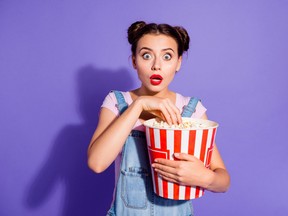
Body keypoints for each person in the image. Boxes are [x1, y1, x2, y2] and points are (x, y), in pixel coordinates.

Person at [87, 21, 230, 215]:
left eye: (167, 56)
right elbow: (96, 163)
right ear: (134, 61)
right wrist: (139, 105)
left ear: (178, 62)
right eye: (146, 55)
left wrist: (205, 178)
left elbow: (223, 182)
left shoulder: (191, 109)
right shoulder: (117, 102)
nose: (156, 66)